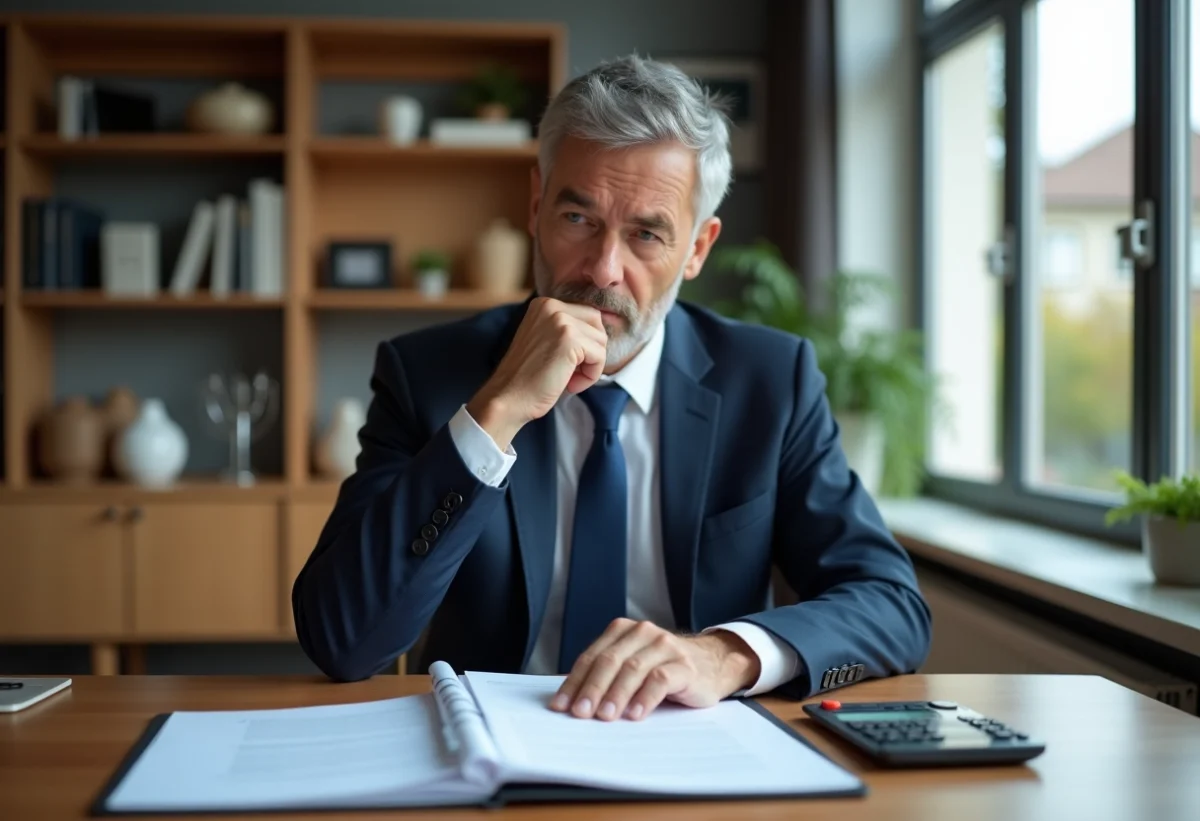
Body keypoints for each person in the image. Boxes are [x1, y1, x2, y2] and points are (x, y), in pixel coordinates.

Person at [292, 54, 931, 723]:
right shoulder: (428, 374)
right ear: (536, 205)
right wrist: (495, 412)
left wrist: (723, 656)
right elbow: (343, 640)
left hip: (697, 745)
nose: (602, 270)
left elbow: (892, 605)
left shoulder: (770, 381)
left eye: (647, 234)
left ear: (698, 248)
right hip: (488, 743)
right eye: (578, 218)